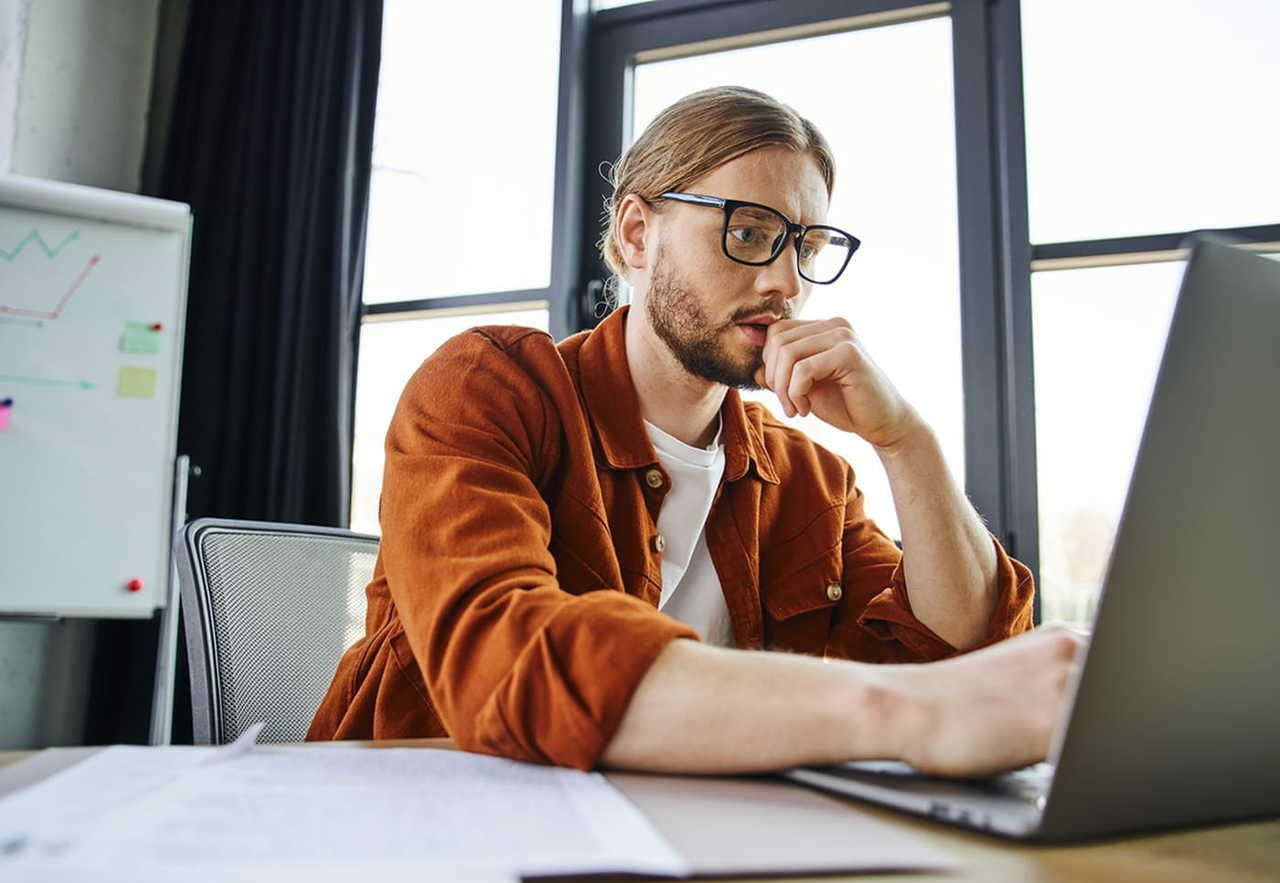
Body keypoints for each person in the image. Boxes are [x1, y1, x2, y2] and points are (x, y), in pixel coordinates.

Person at [309, 86, 1084, 776]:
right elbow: (511, 660)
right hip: (431, 828)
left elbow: (955, 653)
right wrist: (909, 713)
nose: (785, 283)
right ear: (639, 233)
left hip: (688, 839)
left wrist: (906, 442)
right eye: (749, 233)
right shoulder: (489, 388)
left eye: (805, 248)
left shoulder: (809, 475)